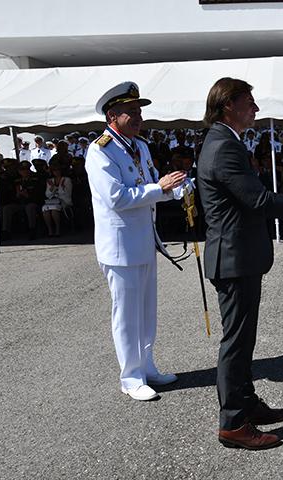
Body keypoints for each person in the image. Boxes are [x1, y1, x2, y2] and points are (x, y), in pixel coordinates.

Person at [196, 77, 283, 450]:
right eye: (248, 102)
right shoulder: (223, 147)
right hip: (234, 259)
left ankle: (247, 404)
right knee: (236, 343)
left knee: (244, 338)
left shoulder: (226, 142)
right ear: (227, 106)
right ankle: (233, 423)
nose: (255, 109)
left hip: (240, 257)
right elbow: (256, 200)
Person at [86, 81, 187, 402]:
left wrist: (176, 189)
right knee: (127, 314)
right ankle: (130, 377)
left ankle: (147, 366)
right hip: (119, 246)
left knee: (146, 311)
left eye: (139, 111)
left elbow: (151, 184)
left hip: (144, 240)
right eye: (131, 112)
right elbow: (117, 197)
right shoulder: (100, 150)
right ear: (112, 115)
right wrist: (161, 188)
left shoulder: (139, 146)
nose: (138, 117)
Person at [41, 164, 73, 237]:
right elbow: (47, 194)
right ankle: (50, 230)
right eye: (54, 170)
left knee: (54, 210)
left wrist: (54, 189)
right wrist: (53, 187)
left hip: (64, 200)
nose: (56, 172)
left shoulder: (66, 180)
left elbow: (67, 193)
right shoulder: (50, 181)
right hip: (52, 201)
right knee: (45, 209)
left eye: (58, 170)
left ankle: (57, 230)